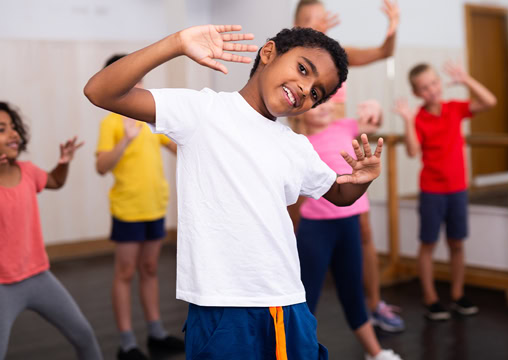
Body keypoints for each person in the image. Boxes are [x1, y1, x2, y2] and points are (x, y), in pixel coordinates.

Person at [84, 24, 383, 359]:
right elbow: (101, 92)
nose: (304, 88)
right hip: (220, 306)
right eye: (303, 69)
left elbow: (339, 194)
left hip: (287, 302)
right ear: (268, 53)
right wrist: (176, 44)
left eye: (316, 92)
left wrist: (363, 179)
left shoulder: (295, 146)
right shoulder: (201, 111)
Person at [292, 0, 405, 332]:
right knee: (298, 225)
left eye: (321, 17)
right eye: (309, 20)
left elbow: (384, 51)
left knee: (362, 231)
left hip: (341, 146)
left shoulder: (336, 53)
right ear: (298, 26)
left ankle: (372, 305)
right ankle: (294, 308)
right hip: (311, 148)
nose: (318, 23)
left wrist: (393, 26)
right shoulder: (294, 61)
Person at [296, 101, 402, 359]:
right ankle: (297, 352)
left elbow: (373, 123)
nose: (322, 108)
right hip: (315, 228)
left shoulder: (345, 126)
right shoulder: (299, 142)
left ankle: (375, 352)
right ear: (299, 112)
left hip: (348, 223)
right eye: (313, 105)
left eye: (324, 101)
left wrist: (375, 109)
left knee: (353, 291)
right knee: (305, 299)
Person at [95, 54, 183, 360]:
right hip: (128, 209)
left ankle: (156, 333)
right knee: (125, 272)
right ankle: (126, 342)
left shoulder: (151, 120)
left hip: (155, 207)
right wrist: (126, 140)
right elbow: (101, 166)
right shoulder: (111, 122)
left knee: (149, 269)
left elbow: (178, 148)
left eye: (140, 78)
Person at [394, 61, 497, 320]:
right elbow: (412, 151)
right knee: (428, 244)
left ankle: (458, 294)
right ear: (417, 94)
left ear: (440, 84)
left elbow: (490, 101)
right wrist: (407, 121)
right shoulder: (418, 117)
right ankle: (430, 298)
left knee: (456, 243)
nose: (431, 90)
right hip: (432, 190)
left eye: (433, 83)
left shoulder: (454, 109)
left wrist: (466, 79)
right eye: (424, 88)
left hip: (457, 189)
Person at [0, 102, 102, 359]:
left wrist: (64, 162)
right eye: (2, 129)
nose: (14, 134)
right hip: (2, 286)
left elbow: (55, 181)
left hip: (39, 277)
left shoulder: (28, 171)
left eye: (13, 127)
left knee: (85, 336)